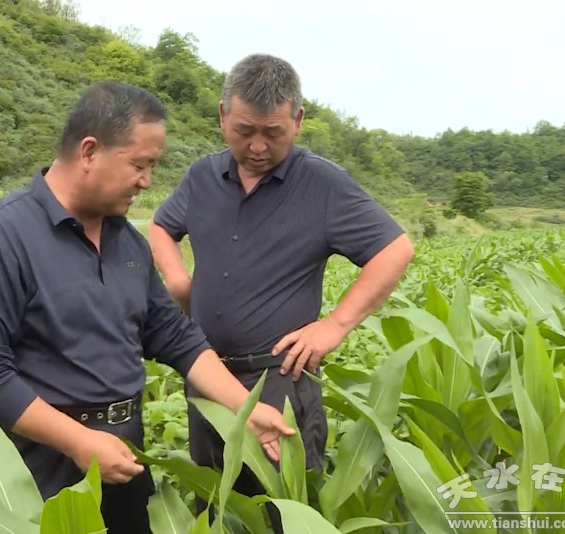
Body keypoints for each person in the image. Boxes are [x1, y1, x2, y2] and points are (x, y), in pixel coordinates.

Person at [0, 81, 296, 534]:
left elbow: (174, 335)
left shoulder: (126, 241)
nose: (147, 181)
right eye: (139, 164)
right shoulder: (3, 237)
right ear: (89, 152)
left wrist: (247, 408)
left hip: (123, 452)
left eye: (152, 166)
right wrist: (78, 442)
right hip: (37, 465)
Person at [148, 54, 415, 529]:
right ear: (223, 115)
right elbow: (161, 227)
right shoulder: (203, 177)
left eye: (273, 132)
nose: (257, 146)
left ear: (298, 119)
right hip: (207, 376)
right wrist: (177, 280)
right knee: (215, 508)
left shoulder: (323, 184)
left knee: (282, 513)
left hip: (278, 381)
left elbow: (394, 248)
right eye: (244, 130)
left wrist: (335, 325)